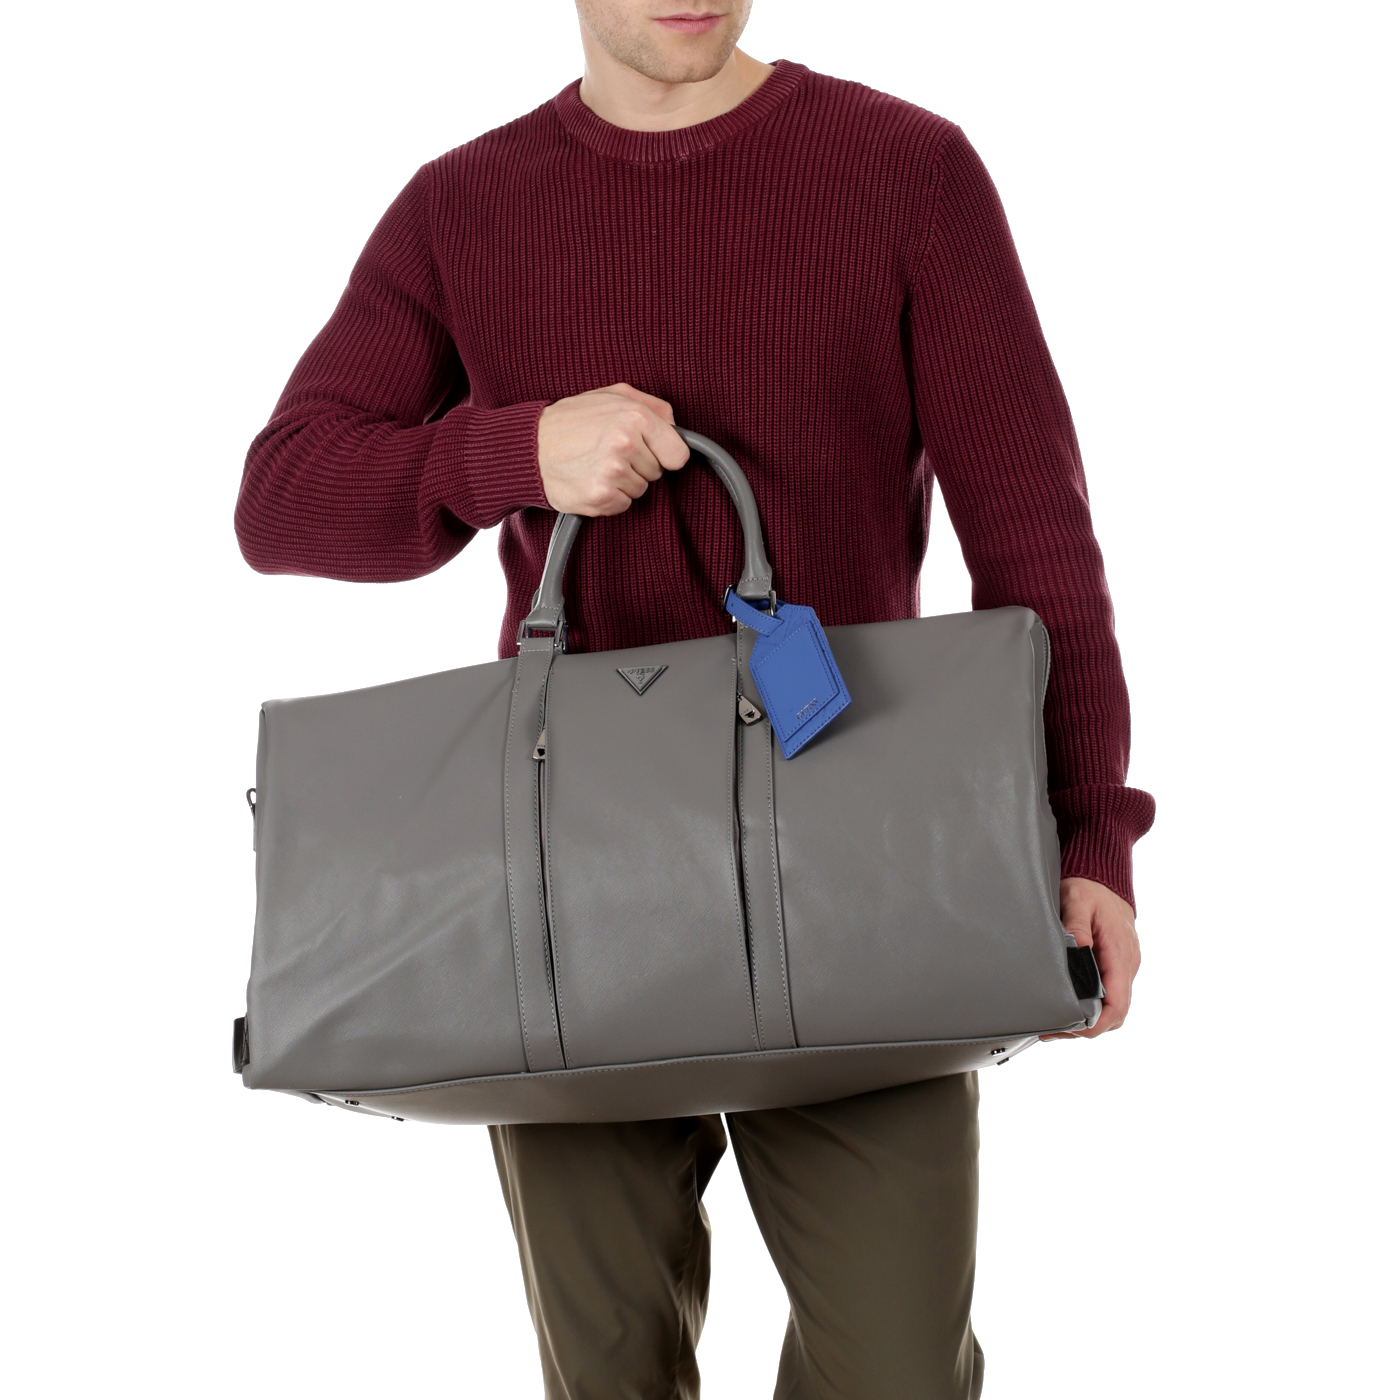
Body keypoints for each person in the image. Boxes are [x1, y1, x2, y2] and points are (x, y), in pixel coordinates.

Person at [236, 4, 1154, 1395]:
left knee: (898, 1371)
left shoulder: (906, 170)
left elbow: (1035, 540)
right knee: (610, 1372)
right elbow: (283, 500)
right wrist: (513, 453)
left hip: (862, 850)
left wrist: (1088, 836)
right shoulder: (463, 209)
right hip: (571, 881)